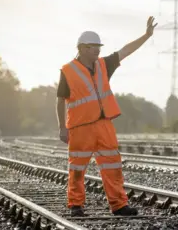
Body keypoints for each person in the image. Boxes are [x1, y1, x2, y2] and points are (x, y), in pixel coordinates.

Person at [56, 16, 157, 217]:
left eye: (99, 46)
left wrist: (146, 36)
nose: (98, 50)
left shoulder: (104, 65)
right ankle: (76, 205)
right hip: (80, 127)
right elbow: (60, 100)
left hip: (104, 125)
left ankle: (119, 205)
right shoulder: (68, 71)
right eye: (94, 46)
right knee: (77, 168)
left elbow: (126, 51)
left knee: (113, 166)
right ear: (82, 48)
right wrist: (62, 127)